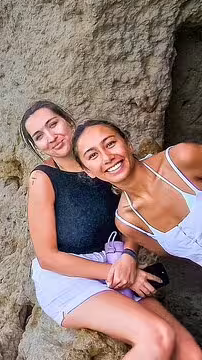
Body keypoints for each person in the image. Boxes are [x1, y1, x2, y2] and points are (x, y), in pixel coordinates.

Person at [21, 101, 201, 359]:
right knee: (157, 336)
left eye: (53, 124)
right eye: (39, 136)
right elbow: (48, 258)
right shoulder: (43, 179)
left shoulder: (107, 161)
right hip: (70, 278)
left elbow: (132, 218)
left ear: (68, 121)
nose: (51, 137)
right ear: (36, 146)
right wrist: (120, 272)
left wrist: (129, 255)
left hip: (116, 266)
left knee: (190, 353)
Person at [73, 119, 202, 267]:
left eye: (110, 144)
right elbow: (164, 252)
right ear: (88, 171)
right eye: (93, 155)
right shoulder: (127, 221)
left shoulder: (181, 159)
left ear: (128, 144)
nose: (107, 157)